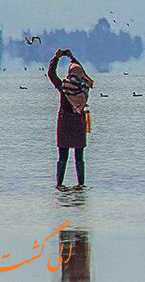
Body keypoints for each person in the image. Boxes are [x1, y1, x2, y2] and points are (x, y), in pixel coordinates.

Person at [48, 49, 94, 189]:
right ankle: (81, 184)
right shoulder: (84, 88)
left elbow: (51, 74)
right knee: (79, 157)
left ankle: (59, 184)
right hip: (78, 124)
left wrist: (56, 58)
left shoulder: (64, 87)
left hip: (65, 125)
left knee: (63, 157)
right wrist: (73, 58)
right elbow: (82, 73)